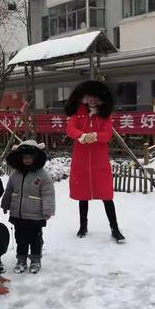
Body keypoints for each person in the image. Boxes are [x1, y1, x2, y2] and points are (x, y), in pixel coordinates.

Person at [65, 80, 125, 244]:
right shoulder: (78, 112)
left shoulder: (104, 116)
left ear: (100, 98)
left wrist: (96, 136)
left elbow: (107, 134)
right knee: (82, 196)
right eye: (89, 96)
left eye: (95, 96)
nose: (92, 99)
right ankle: (83, 226)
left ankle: (115, 228)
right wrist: (82, 136)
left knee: (107, 196)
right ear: (84, 97)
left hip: (99, 163)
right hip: (81, 162)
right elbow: (70, 129)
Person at [1, 140, 55, 274]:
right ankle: (21, 259)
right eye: (24, 157)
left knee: (35, 238)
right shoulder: (15, 174)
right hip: (18, 215)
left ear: (36, 158)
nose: (27, 160)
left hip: (35, 215)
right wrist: (6, 204)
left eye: (30, 157)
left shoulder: (42, 175)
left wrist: (47, 210)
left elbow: (48, 193)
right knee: (21, 238)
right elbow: (9, 190)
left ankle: (35, 260)